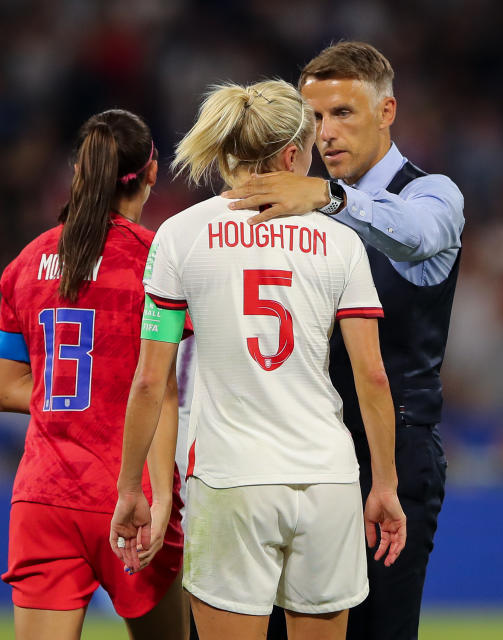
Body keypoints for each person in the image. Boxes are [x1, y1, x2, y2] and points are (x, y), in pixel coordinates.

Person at [109, 79, 406, 640]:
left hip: (229, 478)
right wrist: (384, 484)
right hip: (328, 480)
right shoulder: (340, 242)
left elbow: (152, 380)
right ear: (292, 154)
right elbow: (372, 376)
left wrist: (131, 489)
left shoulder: (180, 236)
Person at [222, 41, 464, 640]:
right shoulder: (298, 203)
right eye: (315, 118)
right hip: (292, 447)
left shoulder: (430, 194)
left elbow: (417, 235)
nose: (325, 133)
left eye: (343, 113)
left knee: (378, 629)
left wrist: (331, 199)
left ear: (387, 113)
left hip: (392, 448)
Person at [0, 109, 188, 640]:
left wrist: (73, 391)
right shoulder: (158, 261)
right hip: (132, 495)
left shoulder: (25, 265)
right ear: (151, 173)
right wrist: (164, 497)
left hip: (43, 496)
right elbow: (162, 390)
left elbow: (5, 389)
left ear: (80, 173)